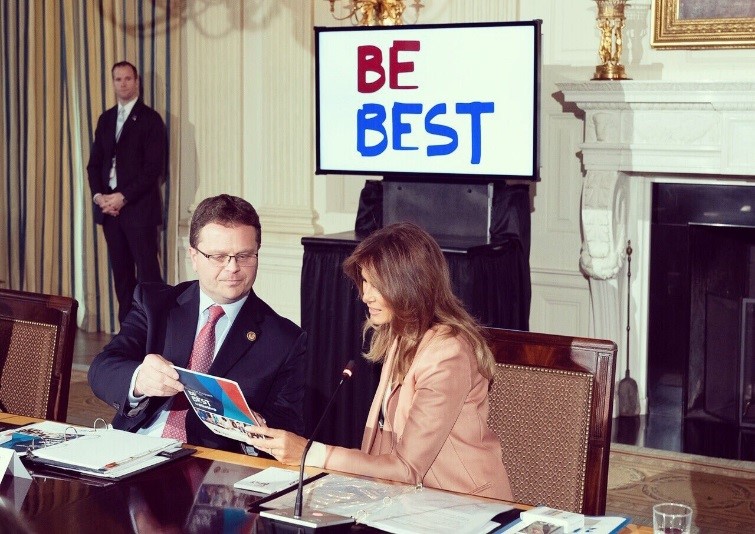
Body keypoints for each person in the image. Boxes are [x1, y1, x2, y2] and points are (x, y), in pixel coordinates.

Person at [248, 222, 513, 500]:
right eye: (365, 281)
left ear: (410, 287)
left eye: (377, 285)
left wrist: (311, 453)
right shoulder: (401, 335)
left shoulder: (447, 354)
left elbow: (406, 468)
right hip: (412, 500)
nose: (365, 295)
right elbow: (385, 453)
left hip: (464, 505)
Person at [88, 194, 306, 453]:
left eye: (245, 255)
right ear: (194, 256)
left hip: (210, 468)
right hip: (133, 448)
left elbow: (289, 428)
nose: (233, 267)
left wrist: (260, 429)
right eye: (218, 256)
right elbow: (102, 369)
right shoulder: (155, 304)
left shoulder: (284, 339)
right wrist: (139, 380)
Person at [87, 60, 166, 324]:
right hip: (109, 212)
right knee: (121, 276)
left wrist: (123, 197)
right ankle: (127, 334)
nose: (123, 83)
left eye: (128, 79)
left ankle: (155, 331)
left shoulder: (150, 119)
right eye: (118, 79)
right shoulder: (106, 119)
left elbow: (153, 169)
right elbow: (94, 164)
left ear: (137, 82)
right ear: (113, 83)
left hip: (139, 210)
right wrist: (100, 197)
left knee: (148, 275)